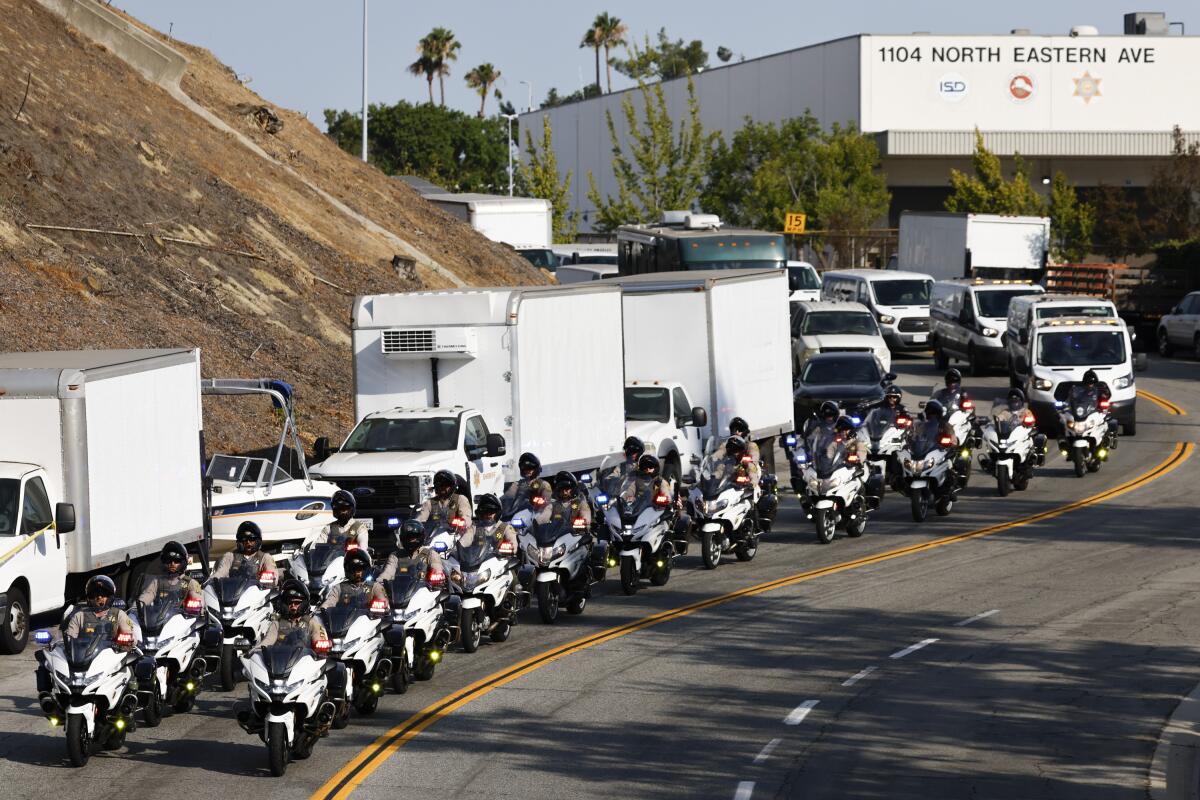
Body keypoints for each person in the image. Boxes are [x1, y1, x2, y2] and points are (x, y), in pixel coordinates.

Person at [258, 579, 328, 648]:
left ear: (304, 604)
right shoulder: (277, 623)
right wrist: (257, 650)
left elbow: (320, 639)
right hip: (281, 658)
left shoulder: (311, 622)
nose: (293, 605)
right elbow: (267, 641)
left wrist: (320, 645)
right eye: (289, 602)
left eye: (297, 602)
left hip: (305, 658)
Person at [137, 541, 203, 608]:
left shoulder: (190, 583)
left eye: (177, 561)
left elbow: (198, 600)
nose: (172, 564)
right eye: (169, 560)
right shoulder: (157, 581)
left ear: (183, 562)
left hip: (183, 617)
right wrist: (136, 608)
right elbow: (147, 595)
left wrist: (197, 602)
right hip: (158, 617)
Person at [377, 519, 444, 583]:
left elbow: (437, 569)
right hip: (399, 592)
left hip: (425, 592)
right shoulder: (395, 556)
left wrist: (437, 575)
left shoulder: (430, 554)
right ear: (402, 538)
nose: (411, 540)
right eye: (408, 537)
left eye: (414, 537)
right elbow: (388, 572)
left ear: (421, 537)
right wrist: (379, 581)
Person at [302, 489, 369, 550]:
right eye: (339, 509)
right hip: (331, 562)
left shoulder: (360, 528)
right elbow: (317, 547)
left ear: (351, 509)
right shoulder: (328, 528)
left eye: (345, 508)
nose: (342, 511)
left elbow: (363, 549)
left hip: (351, 562)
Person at [321, 549, 388, 609]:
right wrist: (321, 611)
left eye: (360, 569)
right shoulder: (338, 587)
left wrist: (378, 605)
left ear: (366, 569)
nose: (357, 573)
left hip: (370, 621)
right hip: (342, 621)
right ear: (347, 570)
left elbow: (383, 601)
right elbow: (329, 602)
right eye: (353, 569)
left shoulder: (375, 586)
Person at [213, 521, 277, 579]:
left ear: (257, 541)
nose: (248, 542)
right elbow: (220, 573)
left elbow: (273, 575)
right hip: (232, 591)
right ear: (239, 541)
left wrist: (266, 578)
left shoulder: (265, 557)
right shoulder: (229, 556)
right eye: (244, 539)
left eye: (251, 539)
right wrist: (211, 580)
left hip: (257, 591)